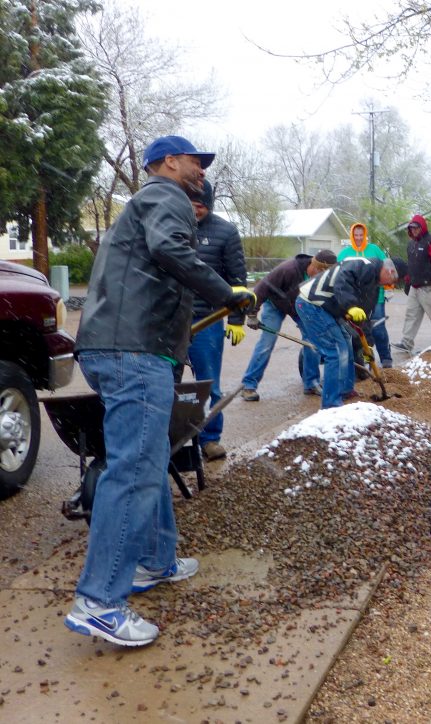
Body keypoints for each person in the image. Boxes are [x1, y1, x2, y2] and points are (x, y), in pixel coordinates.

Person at [68, 135, 255, 647]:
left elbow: (156, 269)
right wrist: (227, 291)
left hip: (128, 347)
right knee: (134, 472)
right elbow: (170, 250)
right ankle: (100, 602)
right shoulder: (163, 194)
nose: (201, 170)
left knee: (149, 459)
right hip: (134, 352)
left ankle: (155, 560)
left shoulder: (149, 203)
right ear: (168, 162)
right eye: (196, 160)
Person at [186, 180, 247, 461]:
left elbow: (237, 281)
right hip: (171, 320)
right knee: (164, 383)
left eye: (200, 206)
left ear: (208, 205)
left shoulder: (225, 232)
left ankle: (210, 439)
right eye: (191, 204)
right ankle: (169, 437)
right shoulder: (172, 226)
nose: (194, 211)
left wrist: (236, 318)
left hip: (208, 318)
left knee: (209, 383)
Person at [295, 256, 399, 408]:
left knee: (346, 344)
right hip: (312, 303)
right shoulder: (364, 265)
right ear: (389, 271)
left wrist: (367, 348)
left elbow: (364, 320)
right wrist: (351, 306)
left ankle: (345, 390)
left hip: (327, 308)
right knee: (335, 351)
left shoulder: (374, 287)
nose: (390, 285)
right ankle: (331, 404)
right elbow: (343, 279)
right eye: (392, 280)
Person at [239, 249, 338, 401]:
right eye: (320, 274)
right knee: (267, 343)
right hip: (275, 305)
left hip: (299, 307)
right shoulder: (289, 269)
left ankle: (311, 383)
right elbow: (261, 288)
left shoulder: (321, 277)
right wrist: (252, 314)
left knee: (313, 341)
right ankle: (249, 385)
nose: (321, 278)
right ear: (316, 267)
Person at [392, 214, 431, 354]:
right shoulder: (411, 244)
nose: (414, 230)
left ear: (422, 227)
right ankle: (406, 343)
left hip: (429, 287)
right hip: (414, 286)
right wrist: (407, 281)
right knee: (411, 315)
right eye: (411, 228)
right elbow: (411, 266)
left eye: (416, 227)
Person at [338, 222, 393, 368]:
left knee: (378, 329)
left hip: (377, 296)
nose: (358, 238)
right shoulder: (345, 253)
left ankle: (386, 358)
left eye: (361, 235)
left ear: (365, 235)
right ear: (351, 236)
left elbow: (387, 268)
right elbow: (338, 275)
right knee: (359, 331)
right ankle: (365, 364)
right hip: (356, 299)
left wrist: (389, 287)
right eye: (355, 235)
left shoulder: (374, 250)